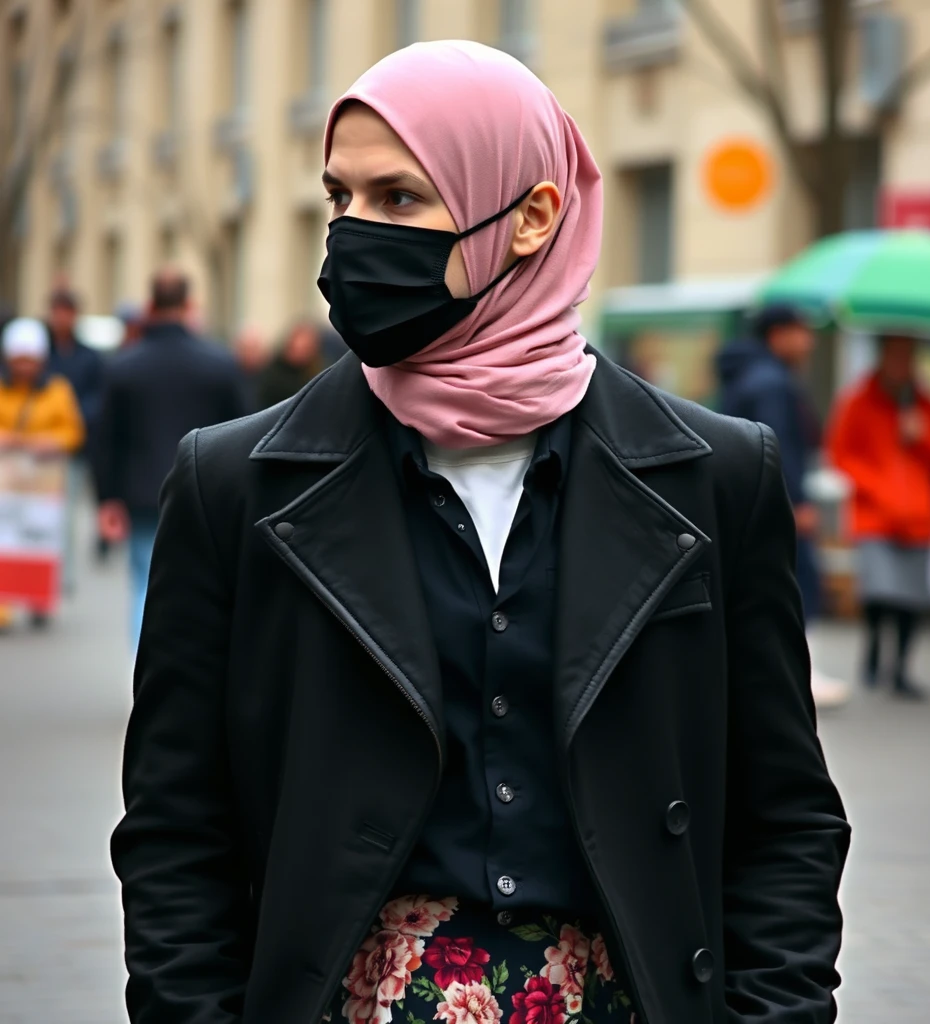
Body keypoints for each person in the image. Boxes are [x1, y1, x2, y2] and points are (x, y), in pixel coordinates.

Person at [112, 43, 849, 1024]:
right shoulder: (231, 484)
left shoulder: (714, 475)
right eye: (339, 198)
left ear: (532, 216)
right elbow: (176, 830)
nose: (352, 233)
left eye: (400, 199)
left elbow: (783, 815)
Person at [94, 270, 249, 655]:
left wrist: (107, 499)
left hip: (144, 494)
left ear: (149, 307)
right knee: (203, 586)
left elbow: (105, 438)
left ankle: (142, 684)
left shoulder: (123, 366)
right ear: (189, 305)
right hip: (206, 492)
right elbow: (244, 429)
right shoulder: (219, 364)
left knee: (145, 584)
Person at [717, 305, 850, 709]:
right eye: (801, 331)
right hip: (775, 498)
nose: (808, 341)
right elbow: (780, 446)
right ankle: (798, 674)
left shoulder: (745, 374)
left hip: (744, 496)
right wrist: (798, 500)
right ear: (778, 334)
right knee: (797, 581)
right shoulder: (773, 382)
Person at [827, 334, 930, 699]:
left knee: (911, 597)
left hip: (918, 517)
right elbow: (841, 455)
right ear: (882, 357)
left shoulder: (927, 406)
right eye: (896, 356)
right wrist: (877, 489)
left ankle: (900, 669)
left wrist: (922, 436)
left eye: (909, 357)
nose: (903, 364)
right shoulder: (856, 401)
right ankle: (872, 652)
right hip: (875, 515)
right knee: (880, 590)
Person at [0, 318, 85, 629]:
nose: (24, 367)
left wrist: (50, 442)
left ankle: (38, 597)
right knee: (5, 538)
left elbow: (73, 431)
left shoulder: (57, 390)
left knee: (39, 537)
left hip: (45, 482)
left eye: (30, 360)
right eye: (18, 360)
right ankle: (3, 604)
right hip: (5, 482)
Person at [45, 287, 104, 591]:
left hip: (73, 446)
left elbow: (98, 396)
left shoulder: (89, 356)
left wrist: (78, 415)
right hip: (37, 447)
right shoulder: (41, 352)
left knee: (66, 512)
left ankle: (62, 573)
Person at [258, 318, 324, 409]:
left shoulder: (317, 373)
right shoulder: (273, 375)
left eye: (306, 349)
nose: (301, 353)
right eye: (298, 348)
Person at [231, 325, 270, 412]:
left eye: (254, 349)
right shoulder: (228, 379)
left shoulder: (270, 380)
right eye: (246, 349)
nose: (250, 354)